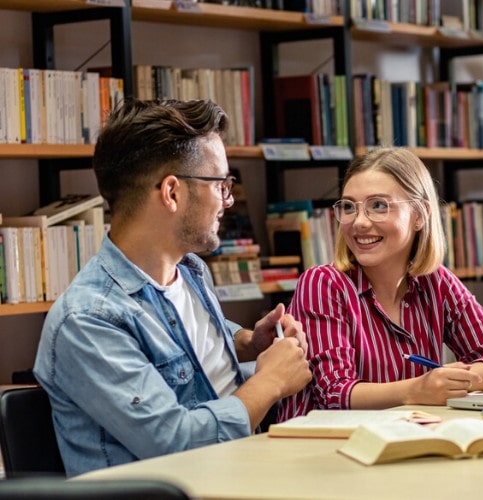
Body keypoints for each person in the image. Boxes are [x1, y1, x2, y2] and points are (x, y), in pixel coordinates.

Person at [33, 99, 312, 477]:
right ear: (172, 192)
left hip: (246, 474)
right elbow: (178, 443)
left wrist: (246, 343)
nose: (227, 201)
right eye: (221, 184)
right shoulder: (87, 321)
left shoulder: (190, 272)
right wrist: (271, 382)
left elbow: (185, 351)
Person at [278, 147, 483, 420]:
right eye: (349, 207)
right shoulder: (323, 283)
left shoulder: (436, 281)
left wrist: (453, 382)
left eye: (378, 206)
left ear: (420, 215)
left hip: (401, 438)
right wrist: (417, 390)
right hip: (320, 448)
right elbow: (335, 394)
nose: (359, 222)